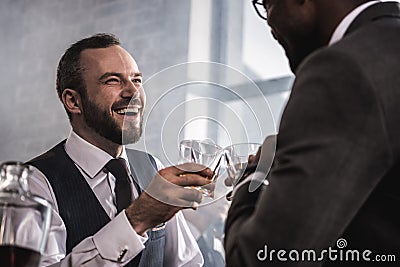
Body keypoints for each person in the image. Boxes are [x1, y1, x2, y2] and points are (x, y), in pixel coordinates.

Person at [225, 0, 400, 266]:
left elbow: (259, 259)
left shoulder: (343, 69)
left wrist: (253, 175)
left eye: (267, 4)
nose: (270, 27)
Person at [27, 33, 212, 266]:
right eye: (112, 81)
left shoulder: (153, 168)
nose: (133, 93)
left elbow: (188, 263)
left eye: (136, 80)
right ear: (73, 101)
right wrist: (137, 220)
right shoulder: (34, 183)